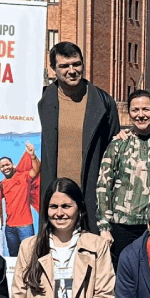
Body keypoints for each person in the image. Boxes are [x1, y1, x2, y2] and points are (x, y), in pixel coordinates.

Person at [38, 41, 121, 222]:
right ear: (53, 69)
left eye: (76, 64)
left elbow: (114, 152)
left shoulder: (104, 103)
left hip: (90, 199)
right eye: (64, 66)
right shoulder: (41, 101)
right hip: (54, 199)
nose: (72, 70)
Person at [96, 90, 150, 266]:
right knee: (125, 280)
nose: (140, 115)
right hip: (123, 226)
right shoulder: (118, 144)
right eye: (135, 110)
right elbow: (104, 185)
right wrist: (104, 227)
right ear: (129, 113)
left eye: (146, 109)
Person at [0, 142, 40, 257]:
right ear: (0, 169)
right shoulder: (2, 184)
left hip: (25, 225)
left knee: (29, 255)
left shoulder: (23, 176)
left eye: (7, 164)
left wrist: (32, 156)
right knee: (13, 257)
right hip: (9, 228)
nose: (5, 167)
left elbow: (36, 170)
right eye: (2, 166)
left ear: (13, 165)